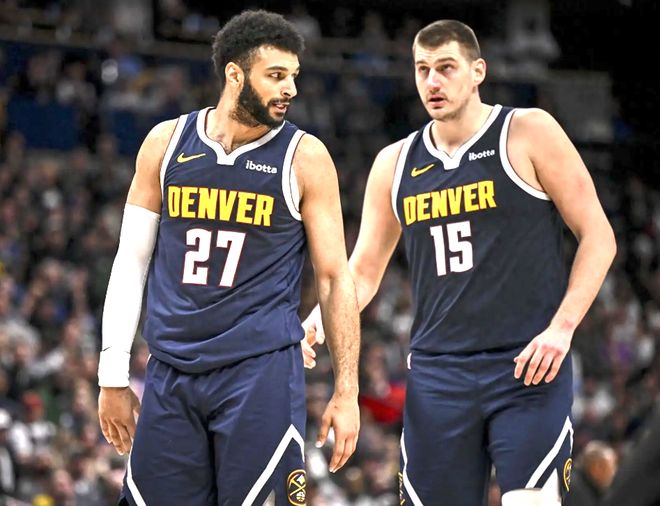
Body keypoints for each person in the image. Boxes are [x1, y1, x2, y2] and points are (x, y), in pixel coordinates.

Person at [303, 19, 616, 506]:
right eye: (422, 69)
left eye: (446, 67)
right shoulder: (395, 163)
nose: (432, 81)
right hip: (438, 373)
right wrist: (318, 319)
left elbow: (598, 235)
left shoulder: (528, 132)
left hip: (526, 366)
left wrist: (563, 326)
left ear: (477, 71)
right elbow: (362, 272)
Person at [97, 10, 360, 506]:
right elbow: (131, 262)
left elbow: (333, 277)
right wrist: (112, 375)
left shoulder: (305, 158)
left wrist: (347, 390)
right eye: (276, 75)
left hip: (259, 374)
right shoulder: (166, 143)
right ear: (235, 74)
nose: (290, 89)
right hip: (171, 370)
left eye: (294, 76)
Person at [565, 440, 617, 506]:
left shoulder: (591, 489)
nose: (613, 473)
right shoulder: (574, 489)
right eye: (609, 468)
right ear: (596, 467)